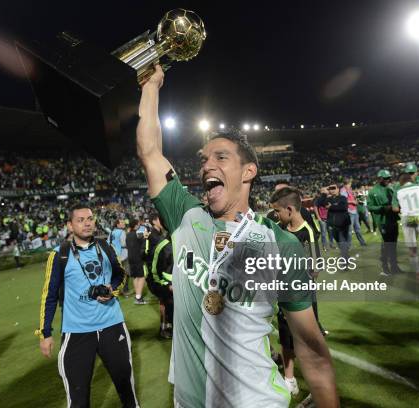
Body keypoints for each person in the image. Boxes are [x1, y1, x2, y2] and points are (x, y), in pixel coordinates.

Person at [136, 65, 337, 408]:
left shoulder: (281, 246)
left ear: (248, 172)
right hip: (189, 401)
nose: (206, 165)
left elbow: (312, 350)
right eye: (204, 159)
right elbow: (150, 152)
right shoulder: (185, 214)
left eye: (220, 157)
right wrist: (151, 85)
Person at [36, 204, 137, 408]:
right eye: (80, 220)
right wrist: (45, 333)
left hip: (112, 325)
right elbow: (49, 295)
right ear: (70, 225)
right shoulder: (59, 255)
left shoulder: (106, 247)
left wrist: (112, 290)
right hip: (77, 333)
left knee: (127, 391)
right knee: (78, 399)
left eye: (90, 219)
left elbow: (121, 274)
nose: (87, 223)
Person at [269, 187, 328, 397]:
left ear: (290, 209)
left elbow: (315, 269)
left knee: (307, 339)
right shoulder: (277, 228)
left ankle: (317, 386)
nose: (275, 216)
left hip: (302, 295)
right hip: (282, 293)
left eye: (277, 211)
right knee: (285, 339)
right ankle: (289, 379)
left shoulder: (308, 233)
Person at [142, 213, 173, 339]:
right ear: (154, 221)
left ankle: (167, 326)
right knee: (164, 302)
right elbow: (146, 254)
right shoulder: (153, 237)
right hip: (157, 276)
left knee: (166, 303)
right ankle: (164, 328)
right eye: (160, 219)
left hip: (159, 275)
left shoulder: (159, 236)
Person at [368, 170, 402, 276]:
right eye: (386, 178)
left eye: (389, 178)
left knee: (393, 245)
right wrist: (383, 208)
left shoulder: (390, 189)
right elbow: (370, 206)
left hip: (392, 219)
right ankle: (385, 268)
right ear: (380, 179)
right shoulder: (373, 191)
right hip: (383, 222)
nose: (388, 180)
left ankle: (394, 266)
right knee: (387, 246)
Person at [325, 184, 350, 261]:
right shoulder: (328, 199)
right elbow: (320, 203)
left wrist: (331, 207)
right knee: (340, 243)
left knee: (343, 243)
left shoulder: (343, 198)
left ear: (338, 189)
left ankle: (345, 261)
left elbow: (343, 208)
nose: (332, 190)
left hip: (343, 224)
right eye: (330, 188)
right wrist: (325, 193)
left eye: (333, 188)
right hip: (333, 225)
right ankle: (345, 255)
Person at [340, 177, 366, 247]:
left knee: (358, 229)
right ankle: (348, 245)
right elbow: (343, 201)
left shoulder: (349, 189)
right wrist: (352, 201)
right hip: (349, 212)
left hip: (354, 211)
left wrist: (356, 196)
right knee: (349, 230)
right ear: (346, 184)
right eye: (350, 184)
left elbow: (353, 197)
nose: (350, 185)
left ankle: (362, 243)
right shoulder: (343, 191)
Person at [126, 219, 147, 304]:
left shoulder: (128, 235)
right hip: (137, 258)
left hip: (130, 257)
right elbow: (142, 243)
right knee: (141, 277)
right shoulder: (137, 234)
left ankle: (137, 296)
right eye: (138, 224)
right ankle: (138, 298)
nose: (139, 226)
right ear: (136, 225)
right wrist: (145, 237)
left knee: (135, 277)